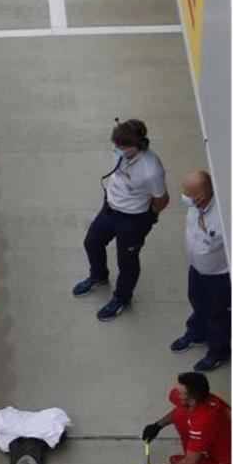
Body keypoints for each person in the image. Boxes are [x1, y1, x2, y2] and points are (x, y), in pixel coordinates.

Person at [71, 118, 169, 321]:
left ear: (137, 145)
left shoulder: (151, 170)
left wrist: (148, 217)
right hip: (110, 209)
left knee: (127, 262)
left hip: (133, 221)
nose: (115, 148)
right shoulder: (121, 151)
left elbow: (162, 199)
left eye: (121, 146)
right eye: (115, 144)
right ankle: (98, 276)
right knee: (92, 242)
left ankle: (122, 299)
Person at [139, 371, 231, 464]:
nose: (175, 393)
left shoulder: (205, 419)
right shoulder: (199, 400)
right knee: (182, 414)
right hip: (217, 444)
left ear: (192, 400)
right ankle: (198, 459)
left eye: (179, 392)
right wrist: (157, 425)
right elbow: (179, 410)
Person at [170, 170, 230, 371]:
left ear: (202, 196)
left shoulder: (224, 217)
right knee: (197, 302)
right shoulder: (196, 207)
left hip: (218, 277)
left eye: (188, 194)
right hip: (196, 269)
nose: (184, 197)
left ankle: (218, 351)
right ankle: (196, 333)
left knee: (217, 315)